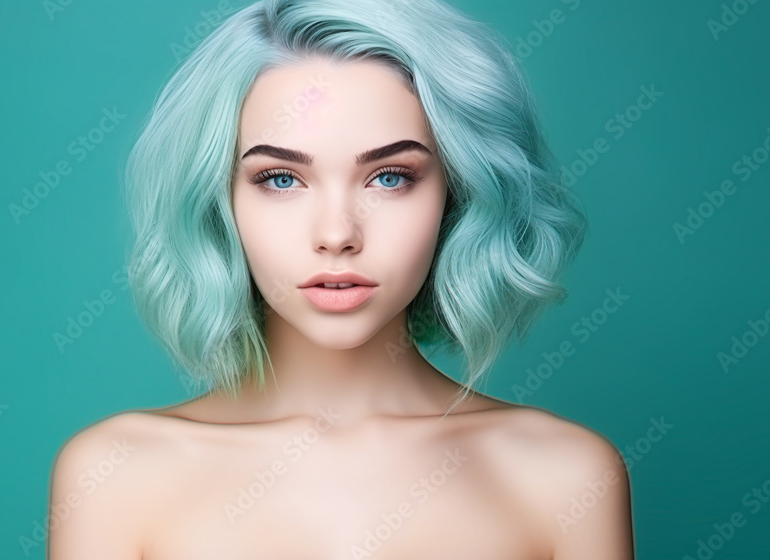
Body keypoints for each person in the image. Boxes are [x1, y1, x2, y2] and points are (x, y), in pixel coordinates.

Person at [48, 0, 635, 558]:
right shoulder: (115, 475)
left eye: (389, 178)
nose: (337, 233)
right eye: (280, 178)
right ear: (218, 200)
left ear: (457, 193)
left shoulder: (565, 477)